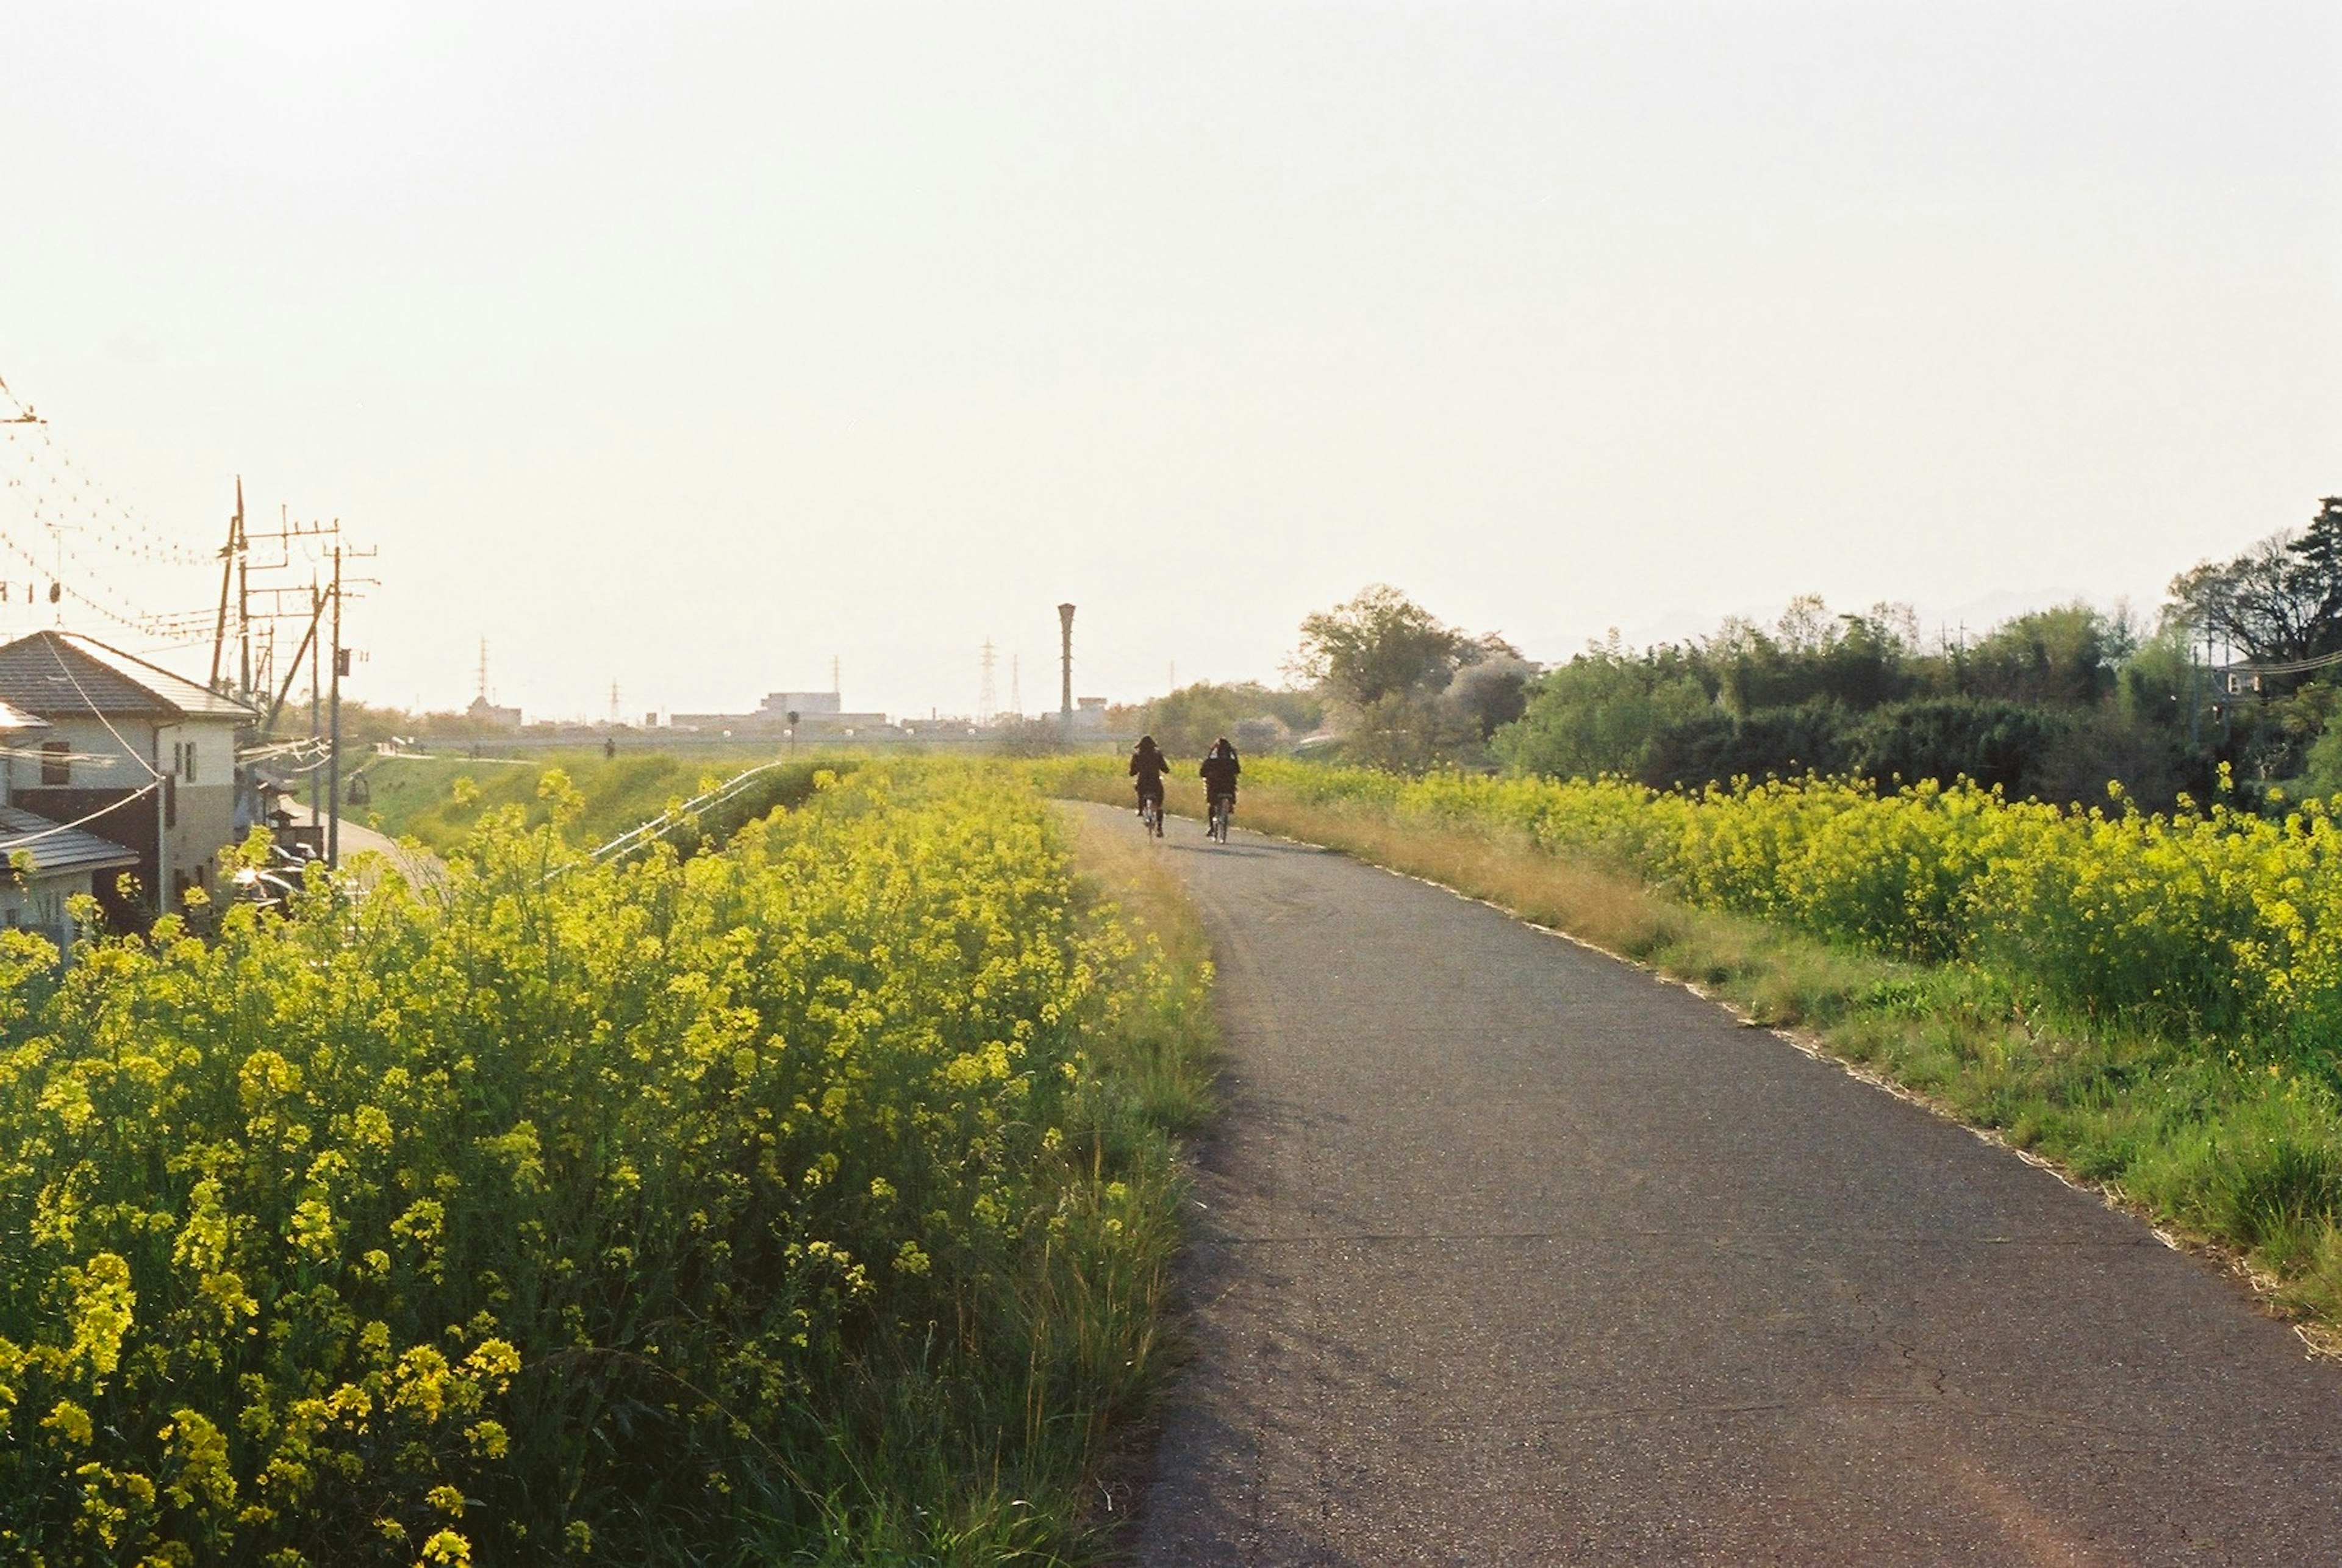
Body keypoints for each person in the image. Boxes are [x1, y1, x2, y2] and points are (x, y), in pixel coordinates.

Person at [1200, 736, 1241, 828]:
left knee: (1212, 804)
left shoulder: (1211, 761)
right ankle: (1230, 805)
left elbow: (1202, 773)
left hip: (1215, 787)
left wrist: (1210, 753)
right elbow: (1238, 771)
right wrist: (1235, 756)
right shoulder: (1232, 762)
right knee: (1232, 790)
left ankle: (1211, 827)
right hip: (1228, 787)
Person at [1129, 735, 1170, 824]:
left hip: (1143, 782)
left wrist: (1134, 772)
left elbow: (1132, 772)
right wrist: (1165, 770)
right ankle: (1159, 828)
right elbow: (1165, 769)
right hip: (1155, 782)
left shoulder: (1137, 756)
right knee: (1159, 805)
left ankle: (1141, 809)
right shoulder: (1157, 754)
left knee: (1140, 793)